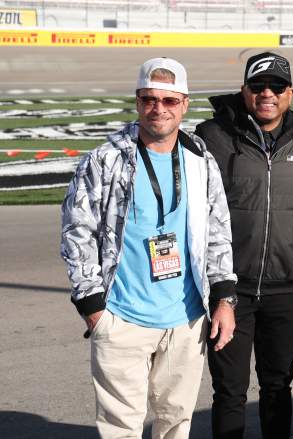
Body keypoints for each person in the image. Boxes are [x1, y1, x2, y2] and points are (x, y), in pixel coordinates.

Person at [60, 57, 238, 438]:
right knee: (120, 429)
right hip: (122, 320)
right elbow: (77, 232)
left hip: (186, 322)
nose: (158, 109)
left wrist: (224, 298)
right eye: (149, 99)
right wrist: (93, 309)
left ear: (185, 104)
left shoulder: (200, 160)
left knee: (176, 424)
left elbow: (217, 231)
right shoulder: (105, 161)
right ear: (138, 102)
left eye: (169, 101)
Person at [195, 52, 293, 439]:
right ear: (244, 90)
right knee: (229, 391)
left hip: (286, 287)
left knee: (278, 386)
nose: (268, 93)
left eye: (277, 86)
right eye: (259, 85)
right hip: (230, 290)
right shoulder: (211, 137)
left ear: (290, 93)